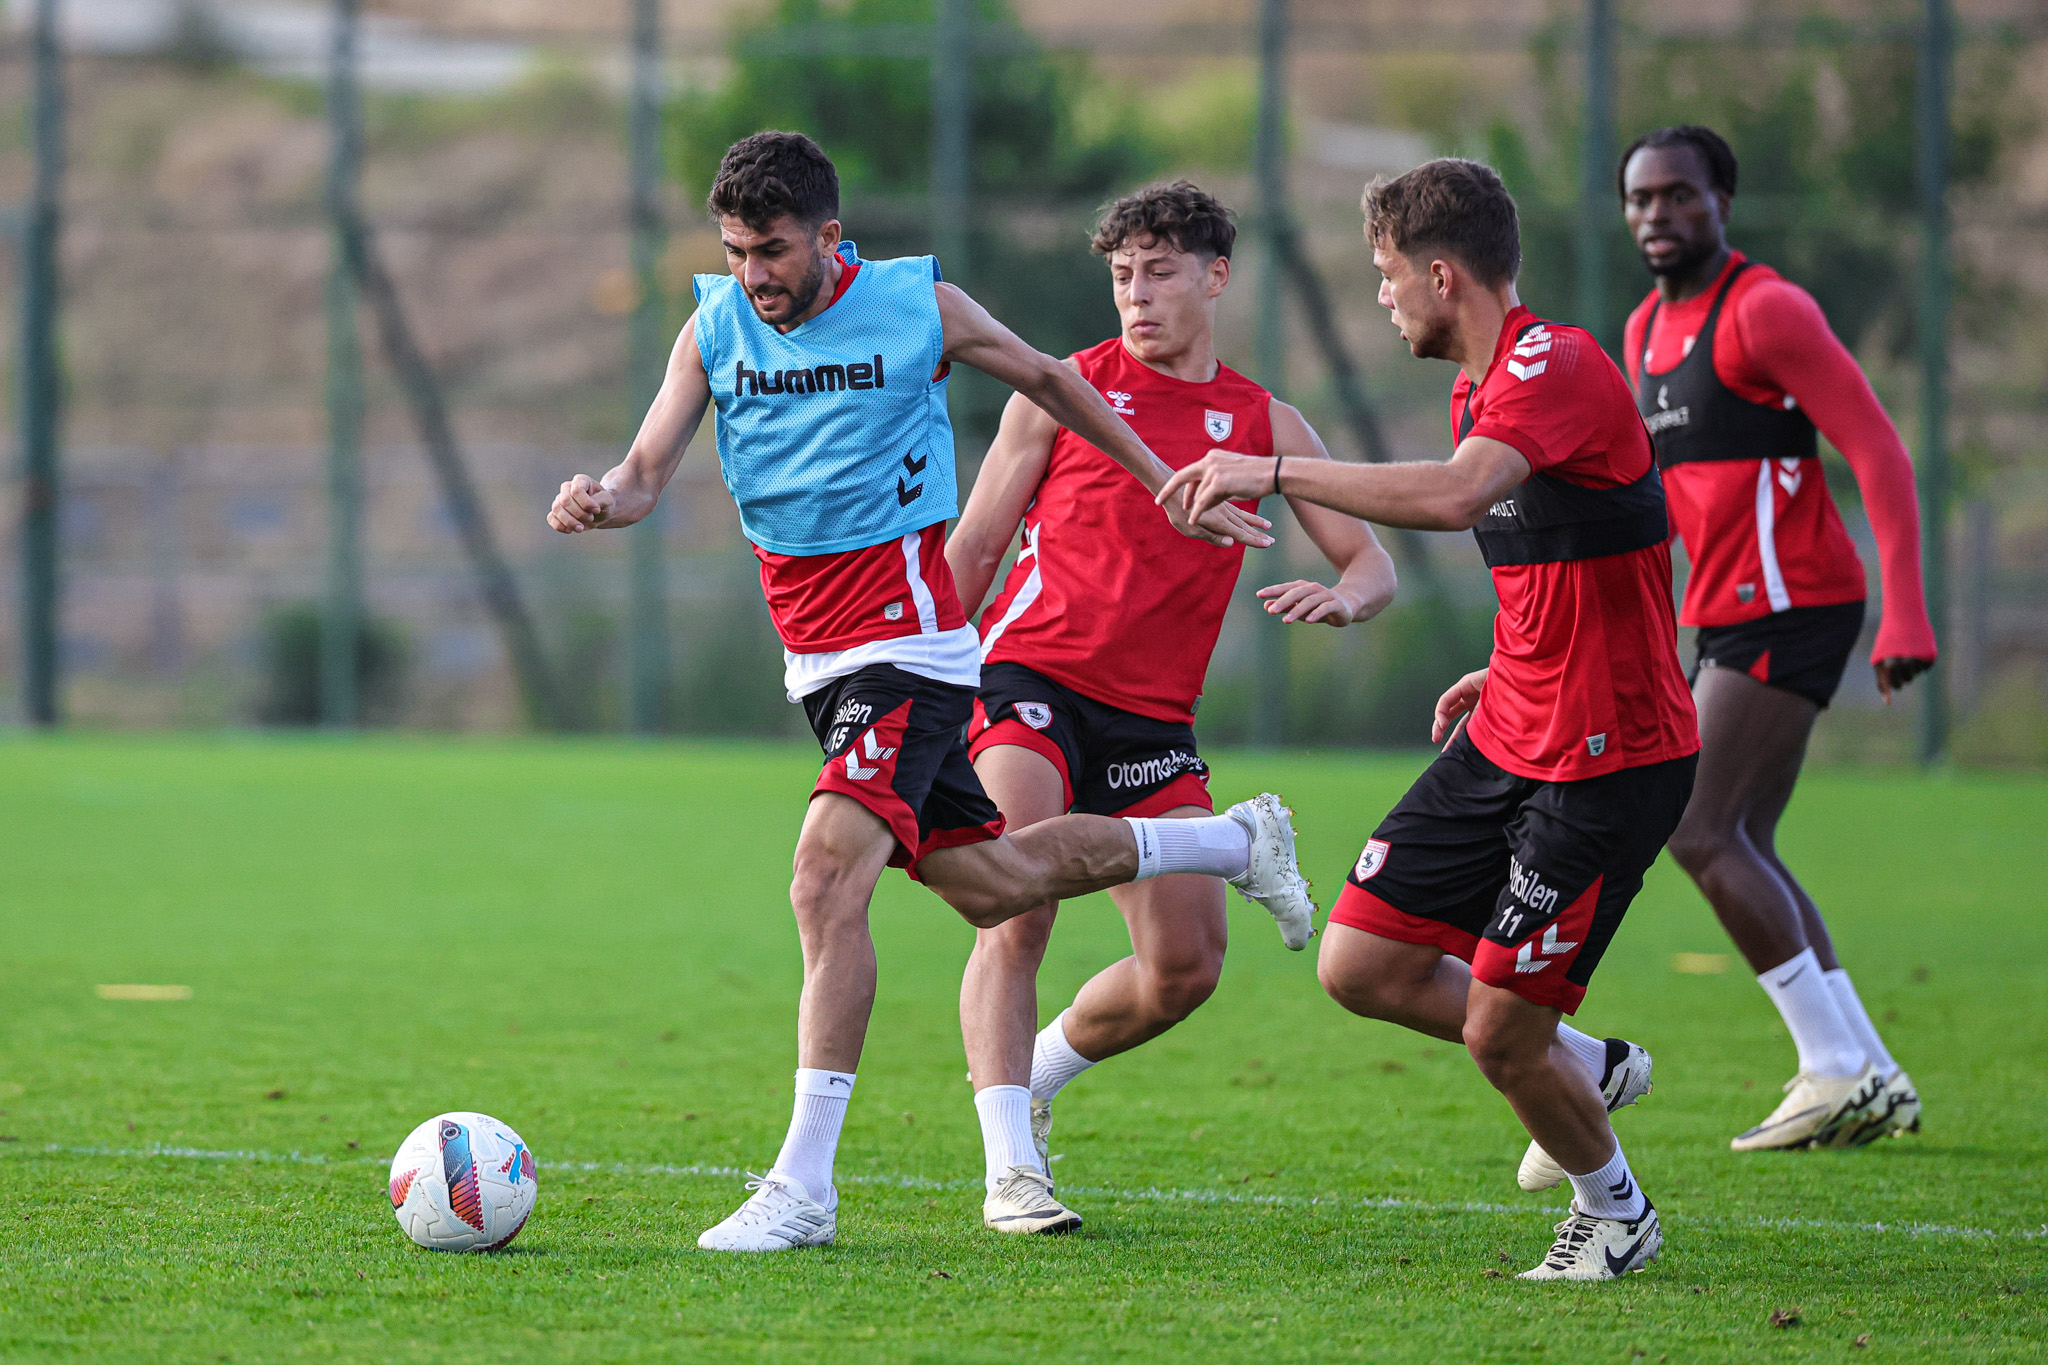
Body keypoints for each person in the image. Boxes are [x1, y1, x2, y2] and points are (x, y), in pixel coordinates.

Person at [546, 132, 1315, 1253]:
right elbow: (644, 473)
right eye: (733, 250)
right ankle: (1227, 845)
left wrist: (1162, 485)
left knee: (823, 880)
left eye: (770, 250)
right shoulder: (711, 328)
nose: (753, 273)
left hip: (908, 648)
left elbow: (1051, 380)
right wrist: (597, 499)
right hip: (817, 662)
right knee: (994, 884)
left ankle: (803, 1187)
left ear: (828, 238)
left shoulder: (919, 308)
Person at [1161, 158, 1699, 1281]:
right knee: (1360, 962)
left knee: (1499, 1030)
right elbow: (1570, 558)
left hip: (1607, 758)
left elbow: (1456, 498)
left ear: (1440, 274)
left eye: (1385, 274)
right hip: (1511, 725)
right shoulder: (1480, 390)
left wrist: (1272, 469)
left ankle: (1615, 1212)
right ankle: (1587, 1063)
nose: (1382, 296)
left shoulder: (1554, 366)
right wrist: (1501, 661)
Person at [946, 181, 1398, 1236]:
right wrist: (921, 679)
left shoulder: (1261, 423)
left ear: (1214, 276)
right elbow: (972, 550)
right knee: (1018, 888)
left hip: (1152, 724)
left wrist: (1346, 599)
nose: (1135, 296)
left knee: (1184, 969)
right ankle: (1009, 1170)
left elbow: (1369, 556)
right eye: (1119, 276)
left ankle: (1035, 1078)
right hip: (1028, 680)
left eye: (1157, 272)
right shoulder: (1057, 393)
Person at [1620, 124, 1934, 1152]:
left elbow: (1875, 446)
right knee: (1740, 836)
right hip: (1719, 615)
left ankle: (1832, 1068)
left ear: (1721, 201)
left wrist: (1907, 609)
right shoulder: (1640, 334)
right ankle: (1867, 1070)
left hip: (1793, 602)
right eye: (1637, 199)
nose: (1655, 216)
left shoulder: (1764, 310)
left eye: (1677, 195)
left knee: (1694, 828)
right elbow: (1669, 505)